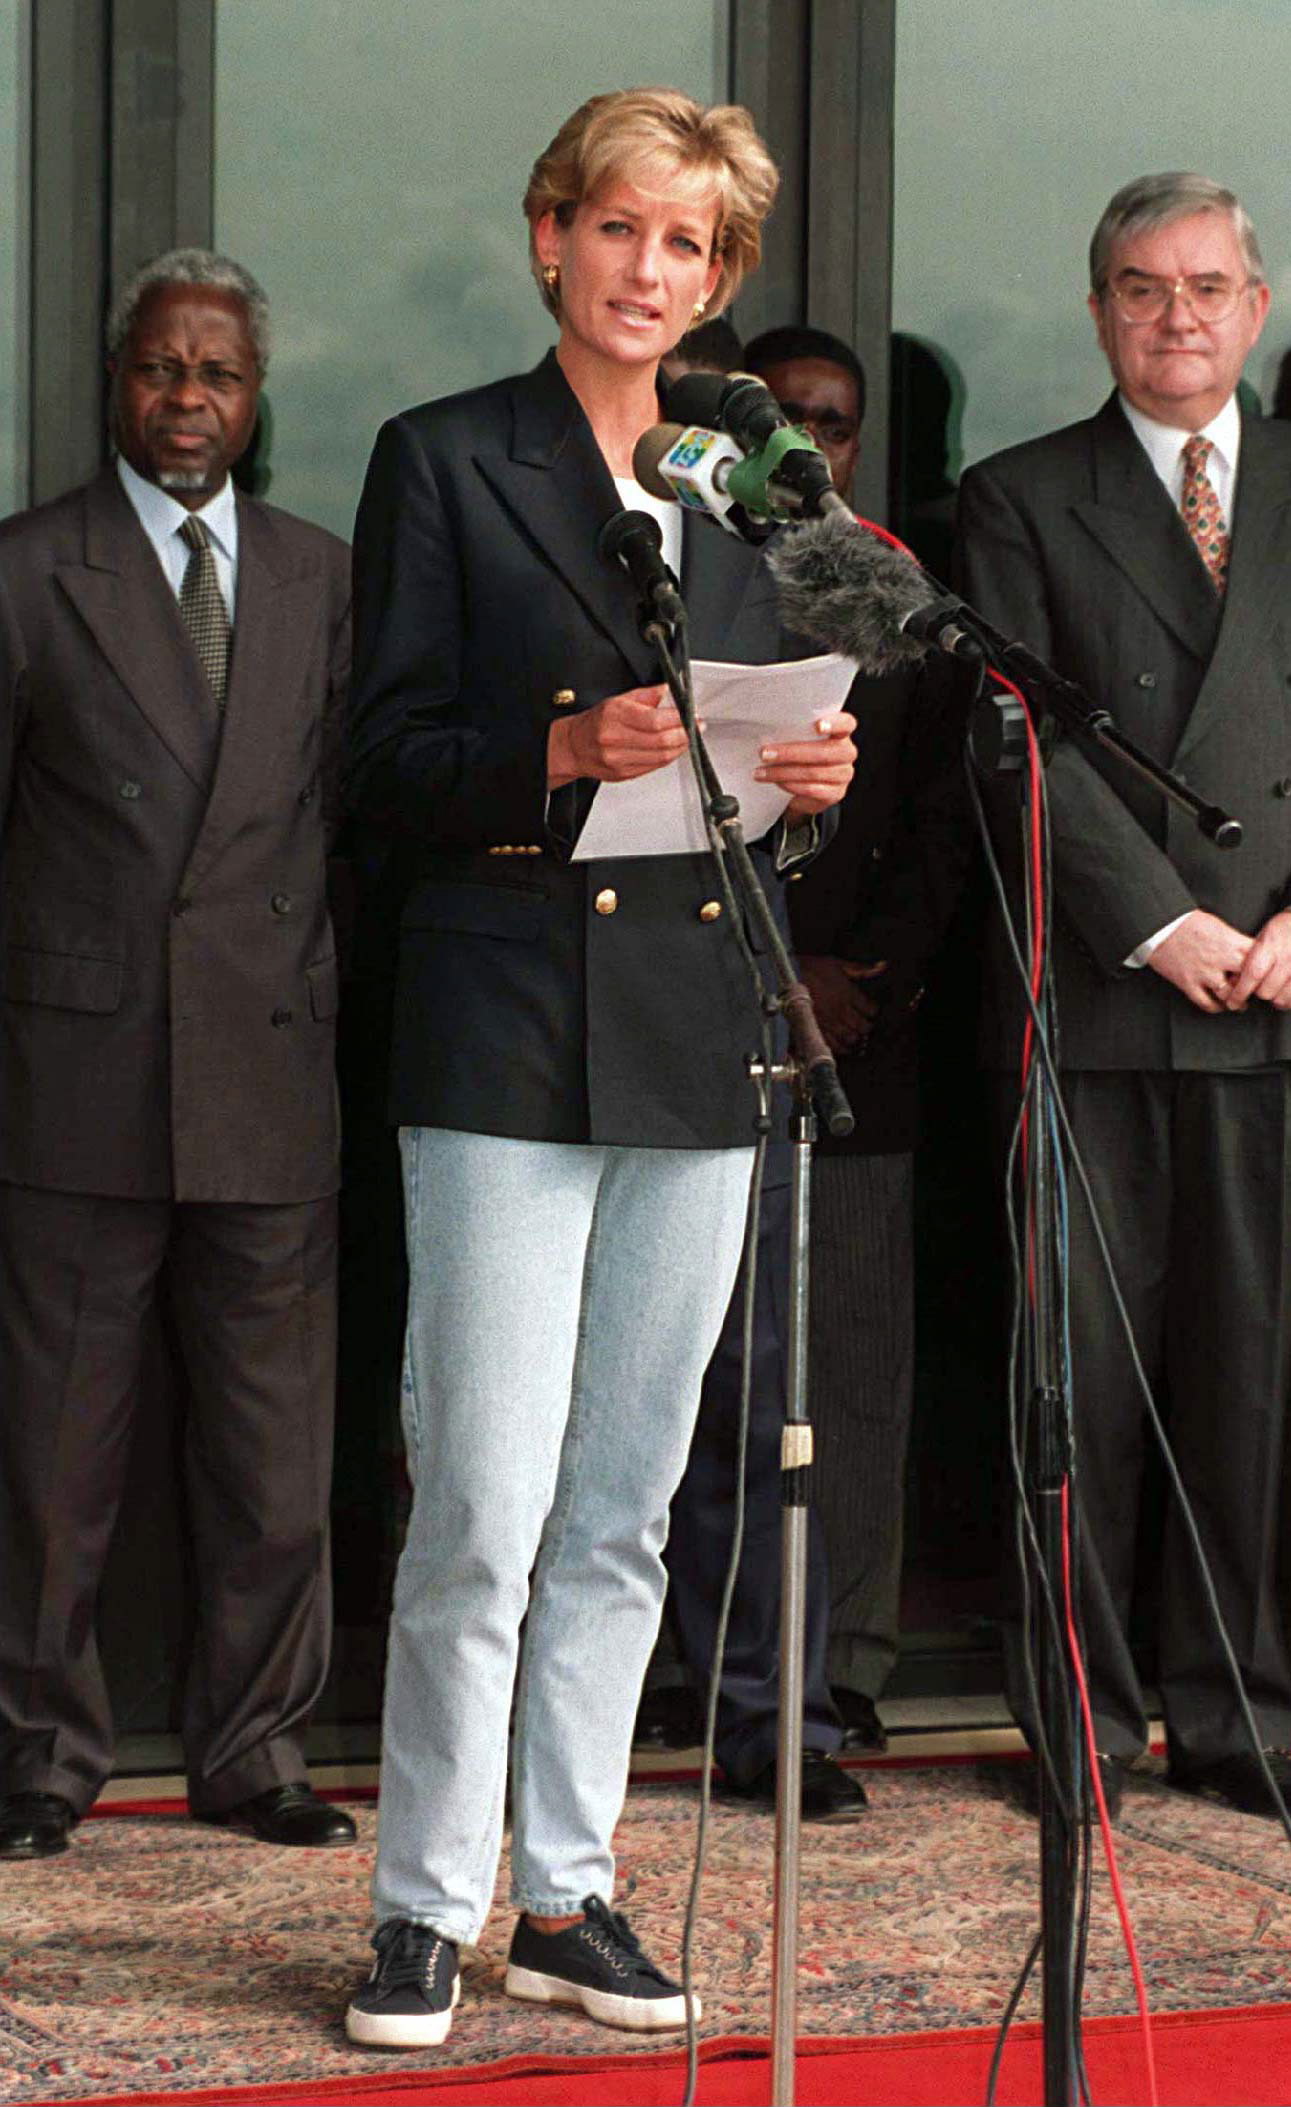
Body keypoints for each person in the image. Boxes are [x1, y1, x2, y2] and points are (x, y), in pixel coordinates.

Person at [341, 87, 856, 2050]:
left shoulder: (750, 477)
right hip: (500, 1028)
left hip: (694, 1034)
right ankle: (419, 1908)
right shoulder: (445, 457)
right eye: (624, 230)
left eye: (693, 248)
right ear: (551, 233)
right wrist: (556, 756)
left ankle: (566, 1891)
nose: (656, 273)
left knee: (625, 1500)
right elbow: (375, 774)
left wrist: (808, 781)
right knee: (479, 1490)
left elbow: (768, 759)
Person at [0, 249, 354, 1859]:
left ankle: (256, 1750)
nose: (188, 399)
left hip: (268, 1066)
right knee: (51, 1458)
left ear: (254, 393)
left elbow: (346, 831)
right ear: (117, 381)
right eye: (161, 369)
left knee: (273, 1453)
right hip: (76, 1072)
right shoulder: (27, 569)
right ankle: (38, 1758)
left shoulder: (316, 573)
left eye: (216, 372)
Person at [957, 172, 1291, 1820]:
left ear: (1260, 305)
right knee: (1076, 1388)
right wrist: (1160, 922)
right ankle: (1074, 1723)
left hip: (1282, 1004)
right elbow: (1014, 731)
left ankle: (1243, 1718)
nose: (1180, 316)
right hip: (1100, 1004)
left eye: (1210, 286)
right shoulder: (1018, 495)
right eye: (1145, 289)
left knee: (1256, 1384)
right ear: (1100, 311)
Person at [747, 325, 973, 1754]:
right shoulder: (679, 571)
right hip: (701, 1019)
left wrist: (855, 976)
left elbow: (947, 827)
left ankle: (845, 1662)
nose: (811, 449)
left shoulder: (903, 597)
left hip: (861, 1042)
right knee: (711, 1371)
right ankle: (697, 1665)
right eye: (785, 420)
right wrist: (770, 975)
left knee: (853, 1369)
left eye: (834, 426)